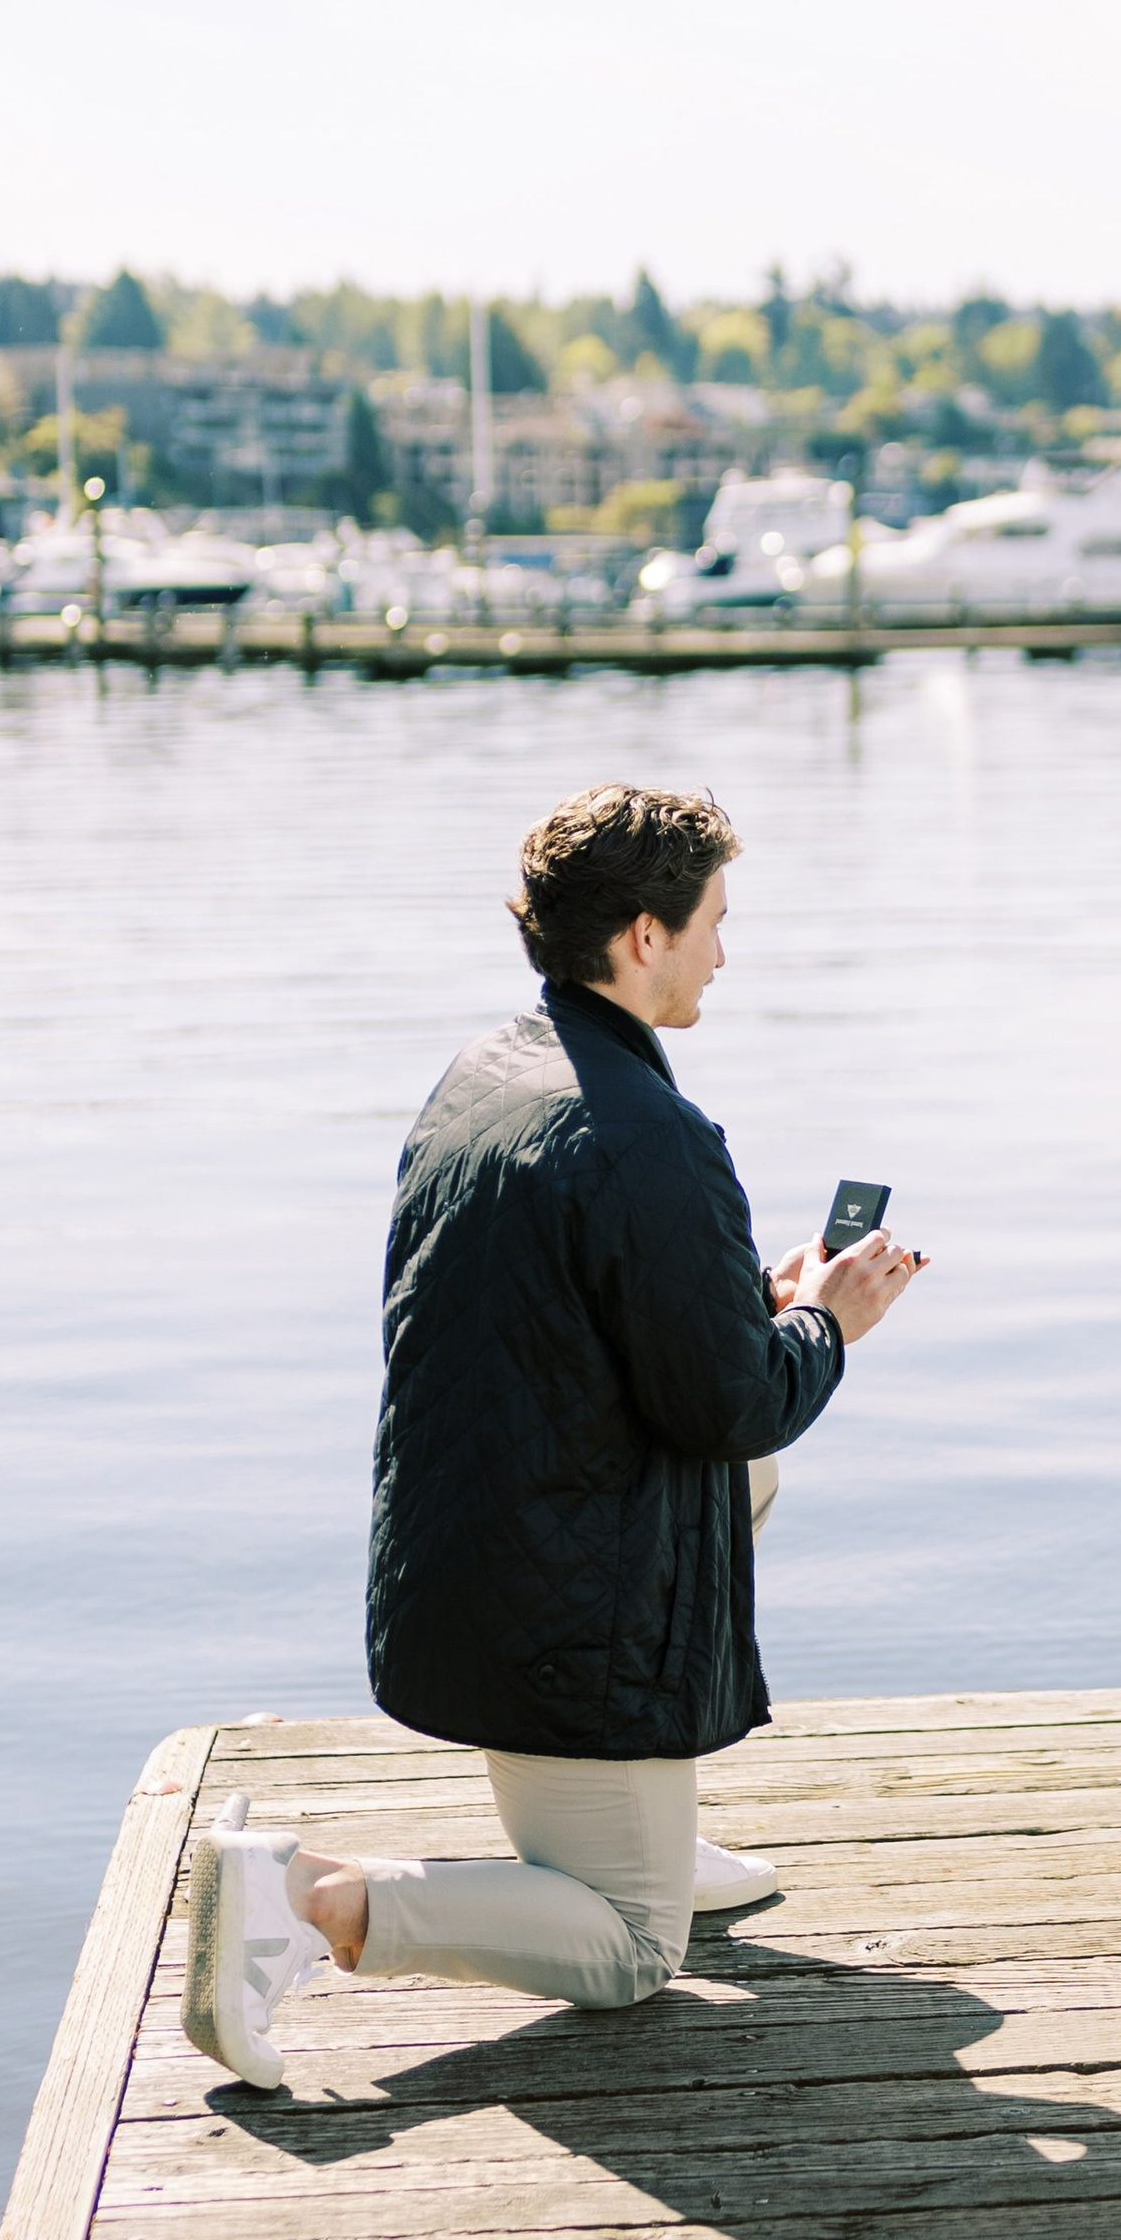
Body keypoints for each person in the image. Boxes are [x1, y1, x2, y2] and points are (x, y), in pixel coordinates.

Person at [181, 779, 924, 2090]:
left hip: (461, 1553)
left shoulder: (489, 1071)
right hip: (567, 1602)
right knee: (637, 1946)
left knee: (743, 1477)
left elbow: (576, 1318)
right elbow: (734, 1400)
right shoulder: (653, 1136)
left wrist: (749, 1299)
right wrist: (828, 1326)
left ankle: (650, 1818)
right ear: (645, 936)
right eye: (713, 923)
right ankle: (303, 1898)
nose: (724, 952)